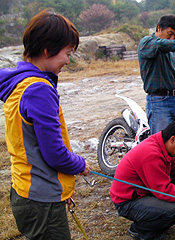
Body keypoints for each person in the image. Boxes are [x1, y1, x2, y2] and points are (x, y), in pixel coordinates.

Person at [0, 9, 90, 239]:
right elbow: (55, 154)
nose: (68, 61)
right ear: (48, 50)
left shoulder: (18, 83)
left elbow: (34, 146)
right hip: (41, 199)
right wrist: (79, 164)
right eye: (67, 53)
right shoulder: (39, 89)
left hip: (26, 190)